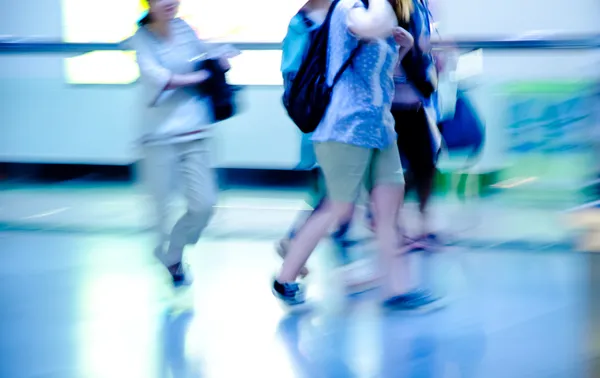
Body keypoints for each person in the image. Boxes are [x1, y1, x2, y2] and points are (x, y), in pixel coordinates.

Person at [273, 0, 438, 310]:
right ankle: (286, 278)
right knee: (337, 208)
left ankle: (397, 289)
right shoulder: (350, 7)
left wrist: (403, 48)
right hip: (344, 127)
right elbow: (363, 27)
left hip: (379, 128)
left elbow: (379, 71)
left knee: (388, 209)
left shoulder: (376, 11)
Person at [130, 0, 236, 286]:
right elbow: (158, 77)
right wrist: (200, 76)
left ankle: (174, 251)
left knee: (204, 204)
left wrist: (220, 58)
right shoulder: (141, 38)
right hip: (158, 138)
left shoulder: (185, 28)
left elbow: (206, 53)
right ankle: (169, 256)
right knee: (160, 209)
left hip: (194, 131)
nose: (168, 3)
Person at [278, 0, 376, 293]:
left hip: (347, 119)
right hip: (325, 121)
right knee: (339, 195)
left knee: (335, 194)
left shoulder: (346, 11)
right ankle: (345, 265)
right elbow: (293, 75)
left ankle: (295, 242)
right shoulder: (302, 24)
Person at [394, 0, 442, 247]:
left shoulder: (422, 6)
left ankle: (418, 222)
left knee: (425, 163)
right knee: (394, 170)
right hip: (392, 102)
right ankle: (394, 223)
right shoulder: (396, 6)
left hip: (414, 102)